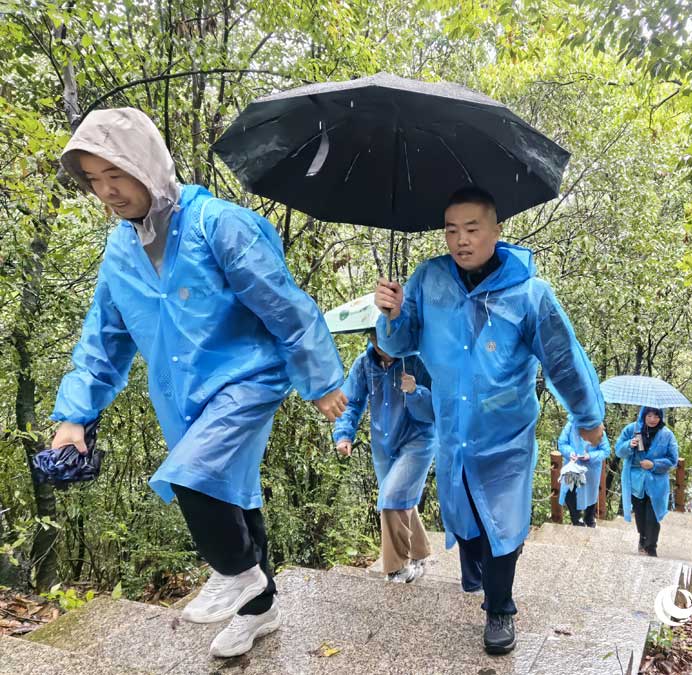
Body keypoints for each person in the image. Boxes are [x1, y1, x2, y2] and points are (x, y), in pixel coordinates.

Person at [49, 108, 348, 658]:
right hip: (180, 397)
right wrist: (74, 415)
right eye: (93, 180)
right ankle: (261, 610)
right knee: (230, 493)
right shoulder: (120, 250)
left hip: (248, 378)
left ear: (147, 164)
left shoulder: (219, 225)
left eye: (115, 173)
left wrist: (321, 377)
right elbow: (104, 340)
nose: (106, 191)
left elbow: (285, 306)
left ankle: (238, 574)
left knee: (191, 476)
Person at [374, 185, 605, 655]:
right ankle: (480, 569)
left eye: (472, 229)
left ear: (496, 231)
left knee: (504, 521)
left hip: (507, 436)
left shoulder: (529, 294)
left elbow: (562, 359)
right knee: (467, 521)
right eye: (451, 230)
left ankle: (501, 609)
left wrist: (588, 417)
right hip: (453, 431)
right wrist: (392, 315)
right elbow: (398, 346)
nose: (460, 240)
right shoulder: (427, 280)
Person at [333, 331, 436, 583]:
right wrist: (344, 435)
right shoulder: (364, 364)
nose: (381, 345)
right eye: (375, 338)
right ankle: (419, 552)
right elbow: (351, 402)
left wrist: (415, 392)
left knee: (390, 498)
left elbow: (436, 411)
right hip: (384, 444)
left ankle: (397, 568)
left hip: (418, 441)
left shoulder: (419, 361)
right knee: (400, 497)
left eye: (386, 338)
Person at [614, 407, 679, 557]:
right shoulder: (632, 429)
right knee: (640, 513)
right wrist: (629, 445)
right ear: (643, 416)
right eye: (649, 415)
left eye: (656, 416)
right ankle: (642, 538)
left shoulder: (667, 435)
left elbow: (673, 460)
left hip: (656, 482)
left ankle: (651, 547)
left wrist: (654, 464)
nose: (652, 419)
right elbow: (618, 450)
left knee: (653, 514)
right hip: (636, 479)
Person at [557, 417, 610, 527]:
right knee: (570, 493)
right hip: (573, 467)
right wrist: (570, 452)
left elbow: (605, 450)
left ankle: (589, 519)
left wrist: (590, 456)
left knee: (590, 495)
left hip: (590, 470)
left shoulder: (598, 428)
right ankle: (576, 519)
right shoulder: (571, 425)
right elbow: (562, 443)